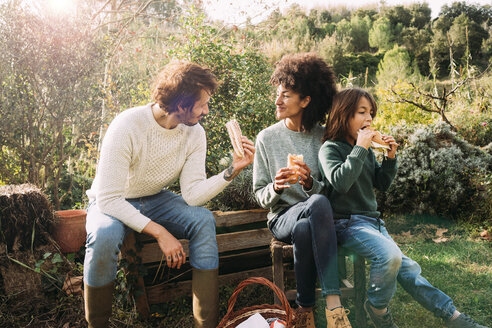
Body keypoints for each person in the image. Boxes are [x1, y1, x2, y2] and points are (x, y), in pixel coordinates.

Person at [83, 60, 255, 328]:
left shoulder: (195, 134)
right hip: (111, 201)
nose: (206, 111)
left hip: (154, 198)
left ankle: (205, 324)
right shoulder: (127, 125)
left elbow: (193, 195)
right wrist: (160, 233)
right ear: (182, 104)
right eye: (202, 104)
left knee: (202, 219)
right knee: (104, 235)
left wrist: (232, 170)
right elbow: (108, 199)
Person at [318, 87, 488, 328]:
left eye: (371, 114)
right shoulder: (331, 149)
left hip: (373, 223)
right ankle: (377, 308)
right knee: (390, 256)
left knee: (410, 271)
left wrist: (390, 157)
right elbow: (341, 182)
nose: (369, 119)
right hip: (346, 223)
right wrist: (360, 148)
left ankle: (453, 316)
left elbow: (382, 183)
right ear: (343, 114)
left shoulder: (363, 149)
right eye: (362, 112)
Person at [253, 53, 352, 328]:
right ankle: (334, 303)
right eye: (277, 94)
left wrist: (309, 183)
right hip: (281, 217)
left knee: (305, 227)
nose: (277, 101)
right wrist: (276, 186)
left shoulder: (324, 139)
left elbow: (332, 193)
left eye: (286, 95)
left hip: (313, 220)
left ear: (306, 100)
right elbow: (260, 195)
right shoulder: (267, 138)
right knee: (316, 205)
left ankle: (304, 311)